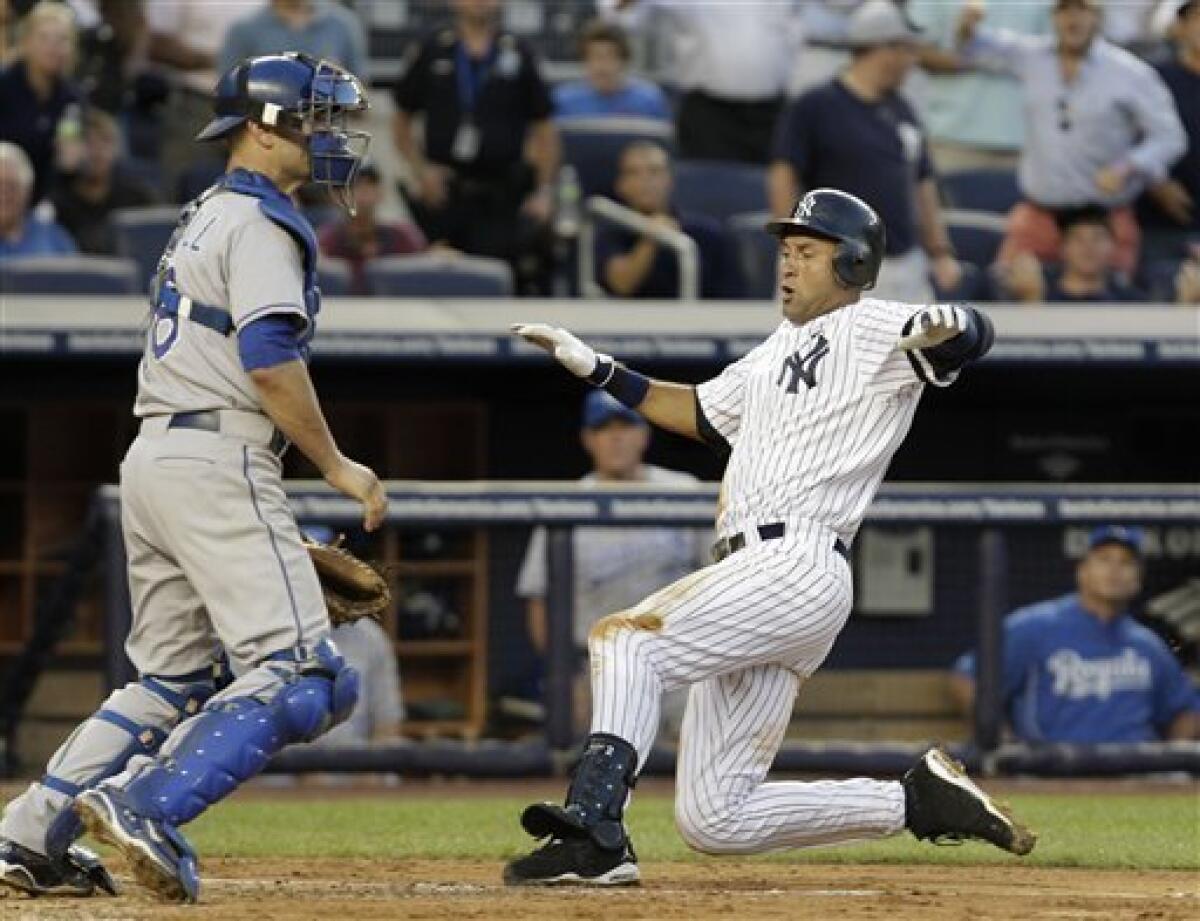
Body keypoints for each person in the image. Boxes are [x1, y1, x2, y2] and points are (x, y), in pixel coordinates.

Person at [503, 187, 1033, 887]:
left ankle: (595, 825)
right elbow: (697, 411)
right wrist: (603, 370)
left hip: (797, 558)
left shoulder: (875, 325)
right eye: (785, 251)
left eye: (807, 252)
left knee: (626, 638)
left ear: (850, 264)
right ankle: (913, 799)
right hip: (759, 572)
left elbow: (971, 334)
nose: (787, 265)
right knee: (714, 816)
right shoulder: (774, 349)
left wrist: (954, 321)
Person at [0, 52, 387, 902]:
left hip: (158, 456)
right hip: (219, 451)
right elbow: (270, 360)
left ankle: (32, 833)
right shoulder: (261, 221)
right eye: (314, 119)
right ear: (262, 125)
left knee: (170, 681)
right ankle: (144, 804)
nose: (329, 136)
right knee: (308, 672)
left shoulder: (208, 211)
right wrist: (335, 464)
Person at [515, 391, 710, 733]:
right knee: (599, 766)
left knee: (701, 756)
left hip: (679, 658)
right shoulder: (566, 503)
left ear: (644, 435)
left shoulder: (684, 491)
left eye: (626, 426)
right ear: (588, 439)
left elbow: (720, 580)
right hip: (598, 665)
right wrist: (563, 677)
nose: (616, 437)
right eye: (604, 428)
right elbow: (538, 599)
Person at [954, 0, 1187, 278]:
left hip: (1103, 222)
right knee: (1008, 292)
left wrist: (1129, 166)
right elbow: (976, 47)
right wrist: (966, 25)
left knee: (1109, 311)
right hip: (1040, 215)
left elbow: (1170, 137)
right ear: (1053, 16)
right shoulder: (1032, 56)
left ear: (1098, 16)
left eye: (1082, 10)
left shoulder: (1130, 73)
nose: (1073, 19)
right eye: (1065, 10)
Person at [769, 0, 964, 304]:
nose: (912, 60)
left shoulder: (903, 110)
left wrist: (939, 251)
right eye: (906, 49)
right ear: (884, 50)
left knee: (909, 351)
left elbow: (922, 182)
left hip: (902, 264)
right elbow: (784, 173)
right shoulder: (817, 105)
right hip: (835, 265)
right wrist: (792, 249)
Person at [951, 526, 1199, 743]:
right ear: (1082, 571)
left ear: (1138, 579)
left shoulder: (1146, 644)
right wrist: (1001, 741)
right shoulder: (1035, 627)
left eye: (1126, 562)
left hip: (1136, 772)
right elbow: (966, 678)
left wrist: (1168, 754)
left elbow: (1188, 708)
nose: (1114, 570)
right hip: (1054, 771)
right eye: (1104, 559)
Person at [392, 0, 560, 295]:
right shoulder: (433, 48)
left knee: (501, 280)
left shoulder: (519, 52)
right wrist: (421, 172)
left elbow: (545, 129)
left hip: (502, 195)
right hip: (445, 195)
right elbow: (402, 119)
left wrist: (543, 190)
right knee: (443, 281)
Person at [599, 0, 805, 163]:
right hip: (708, 113)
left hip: (771, 113)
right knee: (704, 191)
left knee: (769, 196)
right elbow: (619, 17)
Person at [909, 0, 1051, 174]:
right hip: (953, 141)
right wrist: (973, 57)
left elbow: (1056, 55)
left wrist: (987, 53)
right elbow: (917, 50)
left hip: (1025, 144)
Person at [144, 0, 263, 193]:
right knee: (186, 188)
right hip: (197, 103)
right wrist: (223, 60)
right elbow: (156, 42)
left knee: (262, 193)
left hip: (257, 105)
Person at [597, 141, 740, 299]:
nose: (645, 180)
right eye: (633, 173)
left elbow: (733, 303)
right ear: (620, 184)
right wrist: (651, 240)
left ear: (670, 179)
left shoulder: (708, 235)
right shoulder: (607, 231)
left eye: (655, 171)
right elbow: (621, 285)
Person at [0, 0, 83, 205]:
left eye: (62, 40)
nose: (53, 48)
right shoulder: (4, 85)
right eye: (45, 38)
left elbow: (69, 165)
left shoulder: (71, 98)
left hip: (45, 202)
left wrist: (72, 161)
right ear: (26, 42)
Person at [1139, 0, 1200, 265]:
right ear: (1180, 27)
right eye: (1197, 17)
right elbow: (1126, 137)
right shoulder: (1152, 77)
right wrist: (1156, 181)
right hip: (1163, 222)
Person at [51, 108, 159, 256]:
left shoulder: (139, 198)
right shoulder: (58, 204)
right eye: (88, 143)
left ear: (116, 149)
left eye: (104, 142)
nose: (97, 152)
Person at [317, 161, 427, 295]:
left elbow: (424, 268)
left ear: (381, 192)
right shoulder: (328, 239)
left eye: (370, 184)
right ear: (338, 195)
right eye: (355, 185)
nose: (364, 191)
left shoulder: (402, 236)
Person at [998, 206, 1145, 303]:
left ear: (1112, 246)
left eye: (1097, 238)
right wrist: (1031, 300)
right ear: (1062, 247)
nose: (1088, 247)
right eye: (1078, 239)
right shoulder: (1038, 295)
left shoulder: (1131, 301)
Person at [552, 19, 670, 122]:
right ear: (585, 61)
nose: (602, 66)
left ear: (624, 61)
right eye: (595, 57)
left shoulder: (649, 100)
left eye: (610, 57)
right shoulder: (563, 101)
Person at [218, 0, 367, 81]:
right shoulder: (244, 29)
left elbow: (362, 93)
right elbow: (226, 93)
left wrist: (339, 81)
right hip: (263, 131)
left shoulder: (343, 24)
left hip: (325, 128)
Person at [0, 140, 76, 258]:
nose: (3, 195)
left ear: (28, 190)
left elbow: (74, 273)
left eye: (12, 186)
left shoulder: (53, 237)